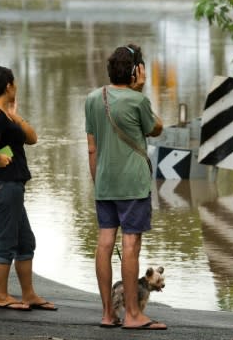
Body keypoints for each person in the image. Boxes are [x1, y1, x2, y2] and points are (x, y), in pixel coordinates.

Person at [85, 44, 166, 330]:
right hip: (133, 184)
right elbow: (157, 128)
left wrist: (99, 183)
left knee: (104, 243)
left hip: (104, 182)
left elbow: (92, 149)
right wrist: (140, 92)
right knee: (130, 245)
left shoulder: (93, 99)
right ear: (136, 71)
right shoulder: (137, 101)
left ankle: (108, 314)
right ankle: (133, 315)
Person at [0, 65, 57, 312]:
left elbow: (32, 138)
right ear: (9, 86)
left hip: (11, 186)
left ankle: (28, 295)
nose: (16, 87)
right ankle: (1, 296)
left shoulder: (4, 114)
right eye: (15, 83)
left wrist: (15, 115)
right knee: (7, 242)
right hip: (3, 186)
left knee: (25, 242)